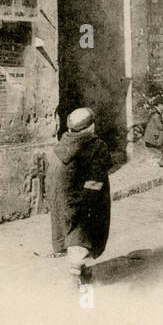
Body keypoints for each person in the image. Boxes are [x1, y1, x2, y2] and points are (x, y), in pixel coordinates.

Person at [46, 107, 112, 277]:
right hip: (81, 196)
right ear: (90, 126)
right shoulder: (97, 146)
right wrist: (91, 201)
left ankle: (78, 268)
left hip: (60, 196)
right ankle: (77, 278)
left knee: (71, 231)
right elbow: (96, 179)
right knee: (84, 232)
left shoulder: (63, 143)